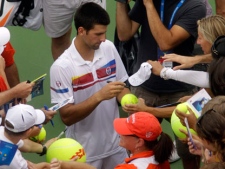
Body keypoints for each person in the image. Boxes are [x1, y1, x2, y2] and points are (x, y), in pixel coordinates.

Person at [116, 0, 206, 168]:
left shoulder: (195, 6)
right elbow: (124, 34)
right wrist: (121, 3)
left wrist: (149, 5)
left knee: (190, 151)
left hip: (180, 90)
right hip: (145, 87)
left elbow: (166, 42)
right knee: (138, 148)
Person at [50, 2, 131, 168]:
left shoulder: (108, 48)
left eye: (105, 33)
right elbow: (66, 116)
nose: (103, 38)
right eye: (98, 34)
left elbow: (121, 87)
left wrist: (127, 101)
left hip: (117, 145)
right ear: (81, 31)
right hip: (83, 152)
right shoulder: (61, 67)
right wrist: (99, 96)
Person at [0, 104, 56, 169]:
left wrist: (44, 148)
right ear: (29, 132)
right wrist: (52, 165)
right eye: (36, 125)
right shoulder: (15, 161)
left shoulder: (7, 137)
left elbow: (24, 144)